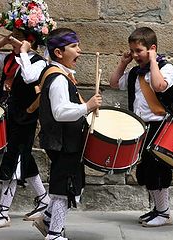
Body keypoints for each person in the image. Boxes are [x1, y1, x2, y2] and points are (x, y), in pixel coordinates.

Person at [0, 0, 56, 230]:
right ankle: (44, 200)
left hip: (26, 117)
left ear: (29, 40)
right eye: (11, 34)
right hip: (8, 115)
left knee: (12, 159)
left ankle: (3, 211)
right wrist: (4, 40)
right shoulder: (8, 59)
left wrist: (23, 51)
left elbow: (31, 77)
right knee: (24, 158)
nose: (11, 38)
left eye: (16, 35)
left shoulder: (38, 63)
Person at [110, 27, 173, 227]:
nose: (134, 55)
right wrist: (123, 63)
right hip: (141, 126)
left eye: (138, 51)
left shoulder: (166, 68)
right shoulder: (135, 72)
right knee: (146, 169)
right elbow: (114, 83)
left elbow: (160, 86)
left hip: (161, 125)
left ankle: (164, 212)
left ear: (152, 49)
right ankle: (158, 209)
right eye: (132, 51)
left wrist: (153, 62)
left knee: (158, 168)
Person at [33, 27, 102, 240]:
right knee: (65, 187)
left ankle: (47, 220)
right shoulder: (59, 78)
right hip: (62, 142)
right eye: (74, 46)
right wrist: (87, 107)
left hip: (66, 141)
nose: (79, 51)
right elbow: (60, 112)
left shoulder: (63, 75)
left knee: (66, 182)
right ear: (58, 53)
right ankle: (54, 233)